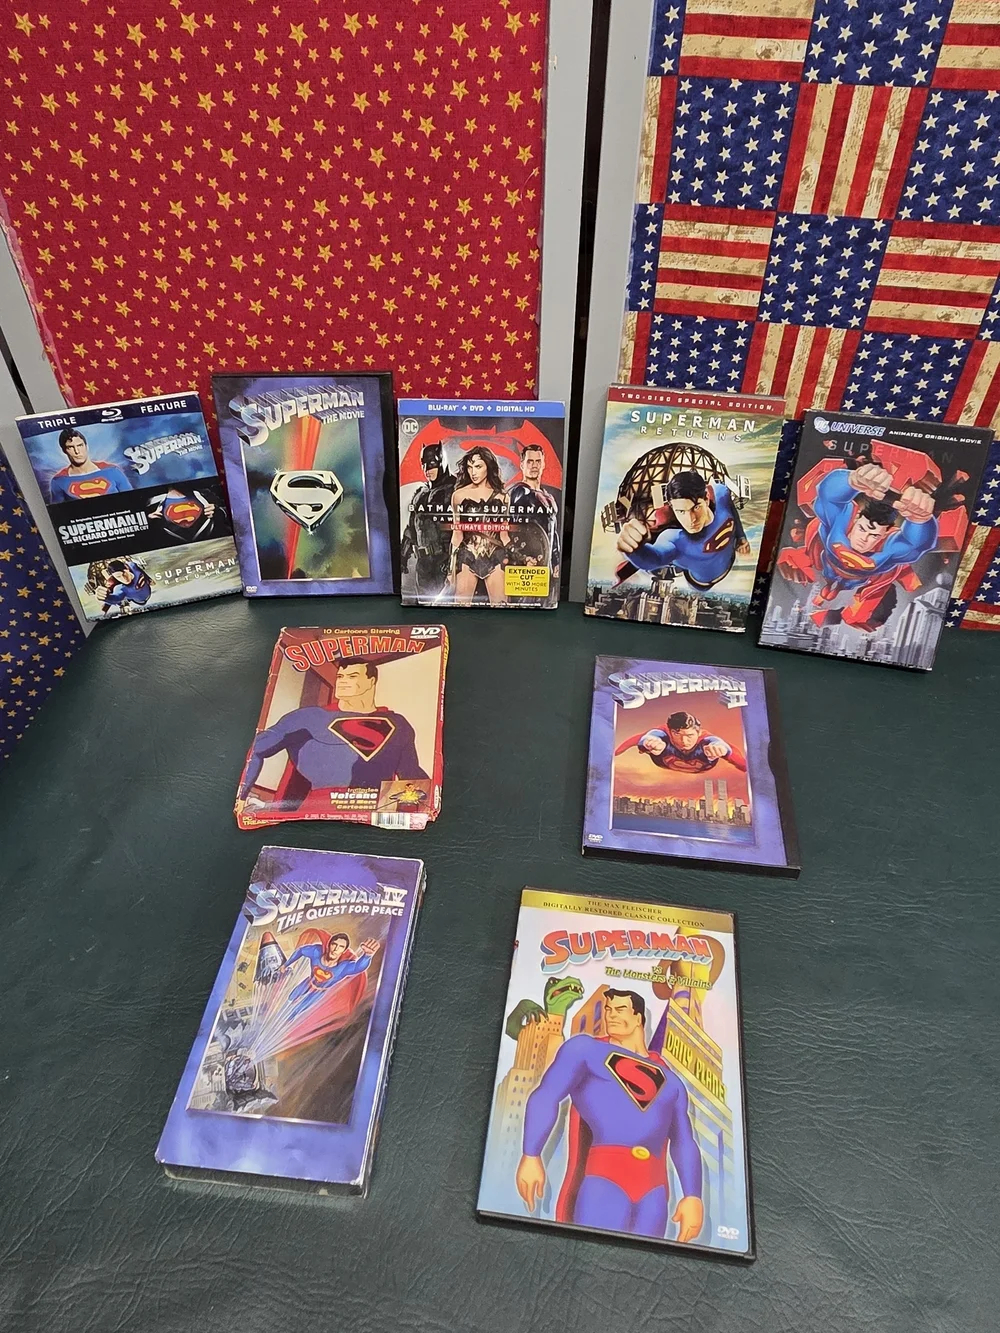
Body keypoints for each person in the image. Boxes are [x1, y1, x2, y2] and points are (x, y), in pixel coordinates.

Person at [515, 989, 705, 1243]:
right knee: (590, 1254)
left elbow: (684, 1141)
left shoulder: (671, 1082)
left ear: (638, 1018)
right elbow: (546, 1095)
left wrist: (693, 1196)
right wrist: (531, 1154)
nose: (611, 1015)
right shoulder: (586, 1050)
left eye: (620, 1009)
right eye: (608, 1009)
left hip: (654, 1191)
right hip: (605, 1178)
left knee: (644, 1261)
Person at [237, 659, 427, 811]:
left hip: (375, 811)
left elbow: (411, 773)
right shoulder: (307, 718)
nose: (343, 681)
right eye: (340, 676)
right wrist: (241, 797)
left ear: (371, 681)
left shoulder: (398, 723)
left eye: (352, 676)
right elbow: (258, 748)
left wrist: (422, 808)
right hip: (318, 812)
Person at [776, 460, 939, 631]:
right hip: (826, 567)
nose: (864, 539)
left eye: (874, 535)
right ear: (855, 520)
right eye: (862, 529)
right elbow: (828, 497)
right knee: (792, 562)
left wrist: (921, 520)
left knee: (860, 616)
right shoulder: (838, 525)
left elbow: (916, 545)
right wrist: (852, 481)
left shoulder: (886, 550)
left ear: (884, 536)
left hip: (858, 583)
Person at [615, 470, 750, 590]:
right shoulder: (674, 539)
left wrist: (741, 536)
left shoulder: (721, 493)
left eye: (696, 507)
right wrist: (633, 549)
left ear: (706, 498)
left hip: (730, 560)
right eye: (681, 511)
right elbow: (655, 558)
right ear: (672, 507)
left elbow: (731, 510)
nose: (691, 519)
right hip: (702, 583)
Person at [449, 446, 510, 606]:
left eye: (478, 466)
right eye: (470, 467)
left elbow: (504, 535)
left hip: (495, 555)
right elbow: (457, 534)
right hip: (467, 555)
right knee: (460, 606)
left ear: (488, 467)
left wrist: (517, 558)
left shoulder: (503, 497)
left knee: (501, 606)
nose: (473, 472)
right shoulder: (458, 495)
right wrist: (450, 569)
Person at [283, 931, 380, 1020]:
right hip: (307, 983)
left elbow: (358, 967)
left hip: (318, 992)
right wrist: (286, 965)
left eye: (341, 947)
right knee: (290, 999)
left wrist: (367, 956)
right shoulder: (316, 952)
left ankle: (286, 1022)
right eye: (334, 944)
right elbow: (301, 951)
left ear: (344, 951)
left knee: (297, 1010)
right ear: (329, 945)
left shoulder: (342, 968)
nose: (336, 949)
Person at [401, 444, 455, 597]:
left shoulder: (456, 490)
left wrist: (454, 562)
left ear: (441, 462)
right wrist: (403, 555)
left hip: (446, 561)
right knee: (424, 603)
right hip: (424, 563)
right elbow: (411, 528)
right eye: (424, 464)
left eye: (431, 464)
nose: (427, 469)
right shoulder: (421, 493)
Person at [617, 710, 747, 774]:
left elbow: (728, 750)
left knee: (711, 748)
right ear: (670, 731)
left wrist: (722, 749)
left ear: (698, 732)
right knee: (657, 743)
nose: (684, 741)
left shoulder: (705, 739)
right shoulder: (663, 733)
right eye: (677, 734)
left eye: (689, 735)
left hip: (704, 758)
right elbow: (640, 738)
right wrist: (646, 743)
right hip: (663, 755)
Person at [48, 428, 132, 502]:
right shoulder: (59, 480)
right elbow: (58, 512)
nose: (77, 451)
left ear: (86, 447)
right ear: (64, 450)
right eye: (70, 447)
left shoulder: (112, 470)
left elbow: (132, 500)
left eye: (80, 445)